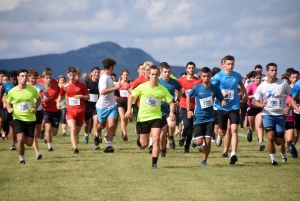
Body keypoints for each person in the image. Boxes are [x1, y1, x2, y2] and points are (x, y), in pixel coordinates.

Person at [125, 65, 175, 169]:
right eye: (152, 74)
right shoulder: (143, 87)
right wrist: (129, 109)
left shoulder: (163, 89)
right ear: (149, 75)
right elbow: (131, 96)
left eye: (157, 74)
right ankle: (140, 140)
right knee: (144, 144)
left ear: (159, 75)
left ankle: (154, 164)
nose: (155, 76)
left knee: (156, 138)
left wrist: (171, 112)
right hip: (143, 118)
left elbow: (171, 102)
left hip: (156, 117)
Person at [211, 55, 248, 164]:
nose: (230, 66)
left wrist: (244, 93)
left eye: (232, 64)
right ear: (224, 65)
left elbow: (241, 85)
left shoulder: (237, 76)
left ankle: (233, 154)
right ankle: (218, 135)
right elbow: (212, 89)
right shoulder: (218, 76)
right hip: (221, 107)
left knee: (234, 130)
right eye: (228, 64)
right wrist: (221, 94)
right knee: (222, 131)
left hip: (234, 106)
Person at [253, 63, 291, 165]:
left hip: (280, 115)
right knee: (270, 137)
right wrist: (261, 105)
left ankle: (283, 152)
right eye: (272, 70)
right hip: (267, 114)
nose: (274, 72)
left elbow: (292, 95)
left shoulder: (282, 84)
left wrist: (289, 107)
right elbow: (255, 101)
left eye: (275, 70)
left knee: (279, 141)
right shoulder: (262, 86)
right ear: (267, 72)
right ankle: (273, 160)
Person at [188, 67, 226, 166]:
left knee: (208, 141)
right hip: (199, 118)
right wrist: (188, 110)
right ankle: (194, 141)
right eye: (204, 76)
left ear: (211, 76)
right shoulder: (197, 88)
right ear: (201, 77)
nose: (206, 78)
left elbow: (221, 98)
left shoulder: (215, 88)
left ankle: (204, 161)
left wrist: (223, 101)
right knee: (199, 142)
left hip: (210, 118)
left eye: (208, 76)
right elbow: (188, 96)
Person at [6, 69, 41, 164]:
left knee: (29, 143)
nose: (24, 78)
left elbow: (38, 99)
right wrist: (9, 109)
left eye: (26, 76)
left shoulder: (32, 89)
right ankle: (22, 158)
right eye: (22, 76)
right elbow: (7, 102)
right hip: (18, 118)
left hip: (30, 118)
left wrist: (35, 108)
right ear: (18, 77)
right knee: (20, 139)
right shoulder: (12, 91)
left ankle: (24, 137)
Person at [57, 67, 89, 153]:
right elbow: (61, 95)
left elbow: (88, 97)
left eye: (73, 75)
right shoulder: (65, 85)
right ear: (67, 75)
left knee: (76, 131)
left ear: (76, 75)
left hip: (80, 111)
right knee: (73, 129)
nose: (71, 77)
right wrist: (58, 103)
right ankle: (75, 148)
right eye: (70, 75)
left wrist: (81, 96)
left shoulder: (82, 85)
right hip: (70, 111)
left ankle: (75, 137)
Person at [95, 58, 119, 153]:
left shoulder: (108, 76)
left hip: (112, 105)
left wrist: (118, 84)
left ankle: (109, 145)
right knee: (102, 125)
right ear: (111, 67)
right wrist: (115, 88)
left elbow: (111, 84)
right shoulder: (103, 78)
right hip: (102, 106)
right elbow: (103, 91)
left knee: (112, 124)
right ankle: (97, 134)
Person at [178, 61, 202, 153]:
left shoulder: (198, 81)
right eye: (189, 68)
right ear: (186, 69)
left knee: (191, 128)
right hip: (184, 106)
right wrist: (180, 92)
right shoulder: (181, 80)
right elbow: (176, 91)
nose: (191, 69)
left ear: (195, 69)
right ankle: (182, 136)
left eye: (193, 68)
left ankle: (187, 147)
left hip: (195, 107)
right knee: (187, 125)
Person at [158, 62, 182, 154]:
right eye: (165, 72)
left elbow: (180, 90)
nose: (167, 74)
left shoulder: (173, 82)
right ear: (161, 71)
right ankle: (162, 149)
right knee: (162, 132)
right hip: (159, 110)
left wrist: (178, 100)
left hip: (170, 108)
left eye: (168, 72)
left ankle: (171, 136)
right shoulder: (158, 82)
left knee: (172, 125)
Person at [27, 69, 50, 159]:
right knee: (33, 133)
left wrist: (42, 101)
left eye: (35, 78)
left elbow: (48, 96)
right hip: (28, 112)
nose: (33, 80)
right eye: (32, 78)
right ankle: (37, 153)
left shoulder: (40, 85)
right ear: (28, 77)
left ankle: (32, 139)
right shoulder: (25, 86)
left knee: (37, 133)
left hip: (39, 110)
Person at [42, 70, 61, 151]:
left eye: (50, 78)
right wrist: (44, 100)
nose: (49, 79)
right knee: (48, 127)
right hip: (46, 110)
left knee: (54, 132)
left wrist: (58, 102)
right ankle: (50, 147)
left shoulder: (56, 87)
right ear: (43, 79)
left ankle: (47, 137)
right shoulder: (41, 88)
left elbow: (60, 95)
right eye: (47, 78)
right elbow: (38, 99)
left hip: (56, 111)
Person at [246, 71, 265, 151]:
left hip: (260, 108)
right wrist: (253, 96)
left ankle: (260, 142)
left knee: (260, 124)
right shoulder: (250, 86)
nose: (258, 79)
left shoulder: (263, 86)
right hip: (251, 108)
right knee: (252, 127)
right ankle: (250, 131)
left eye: (260, 78)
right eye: (257, 78)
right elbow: (246, 97)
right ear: (253, 79)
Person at [0, 71, 18, 150]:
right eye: (13, 80)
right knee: (11, 124)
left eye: (16, 80)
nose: (14, 81)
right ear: (11, 78)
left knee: (18, 124)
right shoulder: (5, 85)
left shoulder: (22, 85)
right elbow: (1, 94)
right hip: (9, 107)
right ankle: (13, 144)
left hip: (20, 108)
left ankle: (18, 137)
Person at [83, 67, 100, 144]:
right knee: (86, 124)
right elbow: (82, 92)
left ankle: (95, 139)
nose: (97, 74)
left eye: (98, 72)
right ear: (91, 74)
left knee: (96, 122)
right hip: (87, 105)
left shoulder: (100, 82)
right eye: (95, 72)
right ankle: (86, 134)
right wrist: (86, 91)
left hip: (96, 106)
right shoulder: (86, 82)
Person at [118, 69, 131, 141]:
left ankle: (123, 130)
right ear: (121, 75)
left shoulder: (130, 83)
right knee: (122, 118)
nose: (125, 76)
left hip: (128, 103)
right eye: (124, 75)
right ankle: (125, 133)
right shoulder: (119, 84)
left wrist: (128, 89)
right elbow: (116, 92)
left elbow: (132, 92)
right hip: (120, 103)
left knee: (126, 119)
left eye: (127, 75)